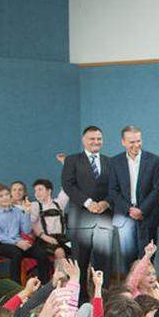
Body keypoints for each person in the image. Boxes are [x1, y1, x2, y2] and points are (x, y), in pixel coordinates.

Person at [61, 125, 115, 294]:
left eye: (99, 138)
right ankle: (79, 298)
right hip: (81, 218)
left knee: (103, 261)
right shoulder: (72, 160)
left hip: (104, 217)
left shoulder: (110, 161)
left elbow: (115, 187)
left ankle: (103, 297)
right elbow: (68, 185)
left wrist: (106, 203)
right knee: (80, 261)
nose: (96, 142)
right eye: (92, 139)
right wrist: (88, 202)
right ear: (84, 141)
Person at [108, 126, 159, 266]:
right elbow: (113, 191)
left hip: (148, 215)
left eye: (138, 141)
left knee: (148, 257)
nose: (136, 145)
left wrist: (141, 210)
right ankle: (131, 288)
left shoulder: (154, 160)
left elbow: (156, 189)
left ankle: (146, 288)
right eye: (131, 142)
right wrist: (129, 210)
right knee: (129, 258)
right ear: (123, 142)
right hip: (125, 217)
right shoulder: (115, 162)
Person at [0, 183, 52, 283]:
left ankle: (44, 286)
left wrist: (26, 213)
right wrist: (17, 243)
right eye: (1, 196)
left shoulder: (18, 211)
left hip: (19, 242)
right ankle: (16, 288)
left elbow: (26, 230)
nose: (5, 198)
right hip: (0, 245)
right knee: (16, 253)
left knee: (41, 253)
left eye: (7, 194)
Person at [29, 178, 69, 261]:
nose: (37, 193)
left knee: (78, 250)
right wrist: (45, 237)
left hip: (61, 239)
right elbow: (32, 224)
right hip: (44, 240)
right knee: (59, 251)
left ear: (49, 191)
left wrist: (67, 166)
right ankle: (60, 274)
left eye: (40, 189)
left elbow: (66, 188)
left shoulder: (59, 203)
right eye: (35, 191)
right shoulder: (35, 205)